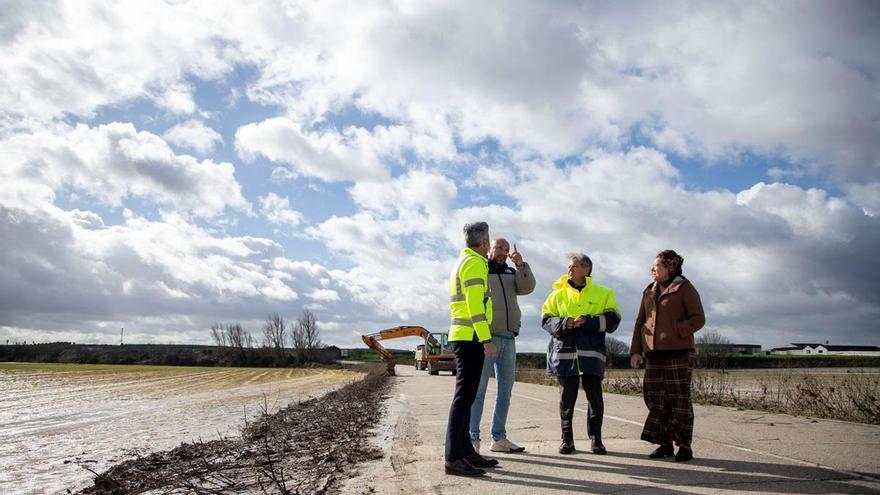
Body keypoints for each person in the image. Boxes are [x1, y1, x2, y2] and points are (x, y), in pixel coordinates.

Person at [630, 250, 705, 462]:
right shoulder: (648, 291)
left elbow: (698, 318)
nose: (652, 269)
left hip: (679, 352)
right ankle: (665, 444)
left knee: (679, 400)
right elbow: (640, 322)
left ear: (670, 267)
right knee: (656, 399)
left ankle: (684, 446)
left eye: (656, 266)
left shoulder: (685, 288)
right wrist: (636, 351)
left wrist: (676, 330)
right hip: (653, 354)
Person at [541, 253, 621, 455]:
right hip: (565, 355)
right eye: (569, 266)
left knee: (595, 399)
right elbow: (546, 320)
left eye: (575, 266)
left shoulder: (604, 293)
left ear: (587, 269)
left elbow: (613, 321)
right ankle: (567, 440)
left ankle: (596, 440)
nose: (570, 269)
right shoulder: (556, 295)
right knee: (566, 400)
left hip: (592, 355)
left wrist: (588, 321)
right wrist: (565, 323)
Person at [470, 238, 536, 453]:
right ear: (489, 248)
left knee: (505, 393)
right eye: (499, 247)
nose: (503, 252)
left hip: (509, 338)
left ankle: (498, 438)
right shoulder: (480, 269)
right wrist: (483, 337)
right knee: (478, 393)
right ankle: (472, 439)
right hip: (486, 339)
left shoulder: (511, 272)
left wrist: (521, 265)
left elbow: (527, 288)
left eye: (506, 249)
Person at [444, 222, 500, 477]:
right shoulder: (475, 263)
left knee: (466, 399)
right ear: (485, 243)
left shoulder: (463, 261)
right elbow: (475, 305)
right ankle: (454, 457)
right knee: (463, 398)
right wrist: (486, 339)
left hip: (465, 336)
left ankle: (466, 451)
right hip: (471, 338)